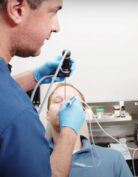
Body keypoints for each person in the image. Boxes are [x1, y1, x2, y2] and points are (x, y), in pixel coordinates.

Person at [0, 0, 85, 177]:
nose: (56, 27)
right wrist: (68, 132)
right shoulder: (19, 117)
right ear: (17, 9)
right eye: (53, 12)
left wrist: (36, 76)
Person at [46, 83, 133, 177]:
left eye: (73, 100)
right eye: (57, 101)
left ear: (84, 115)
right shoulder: (32, 159)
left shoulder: (114, 159)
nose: (65, 105)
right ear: (47, 115)